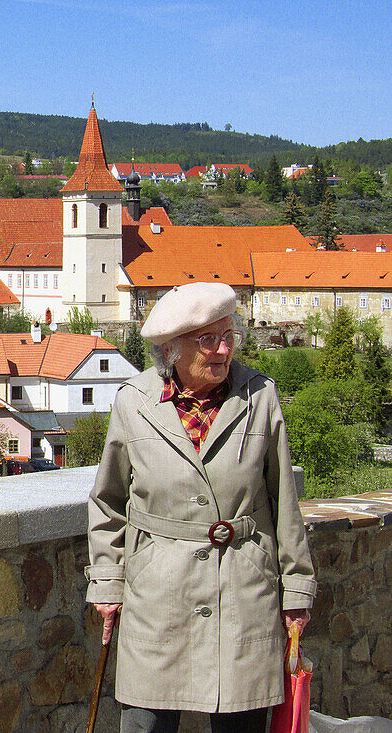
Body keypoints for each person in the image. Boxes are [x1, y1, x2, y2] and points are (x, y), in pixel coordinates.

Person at [85, 282, 316, 733]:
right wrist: (107, 582)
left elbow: (284, 500)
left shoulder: (259, 396)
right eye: (208, 340)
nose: (223, 349)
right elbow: (108, 501)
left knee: (242, 721)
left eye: (229, 336)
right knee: (145, 724)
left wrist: (297, 591)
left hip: (244, 592)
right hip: (158, 597)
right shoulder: (135, 402)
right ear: (172, 349)